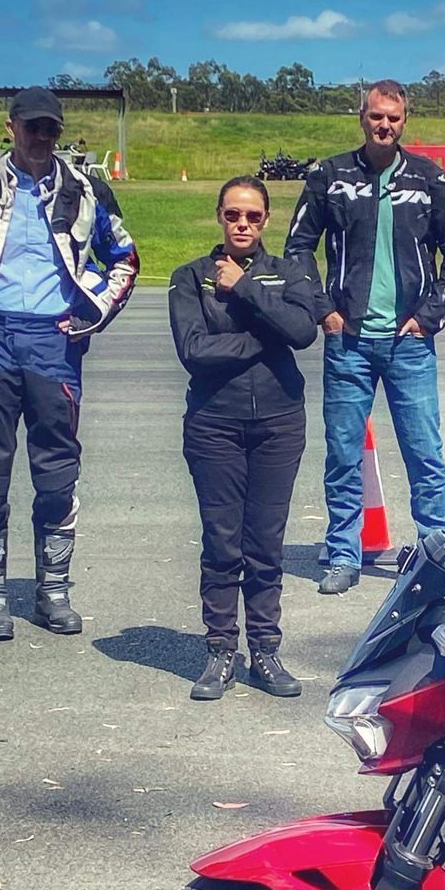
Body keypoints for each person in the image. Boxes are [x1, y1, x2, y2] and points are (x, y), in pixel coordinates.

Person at [0, 87, 138, 640]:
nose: (42, 138)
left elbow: (125, 259)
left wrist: (92, 312)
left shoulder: (86, 189)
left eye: (51, 130)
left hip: (54, 344)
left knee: (56, 472)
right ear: (10, 126)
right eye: (32, 127)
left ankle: (53, 591)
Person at [284, 79, 445, 596]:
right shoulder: (329, 176)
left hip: (409, 342)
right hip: (348, 342)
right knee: (343, 452)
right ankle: (344, 554)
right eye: (375, 116)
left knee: (424, 453)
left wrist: (430, 317)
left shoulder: (432, 180)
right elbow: (297, 249)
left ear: (405, 119)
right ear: (361, 118)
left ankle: (437, 555)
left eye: (393, 117)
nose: (384, 125)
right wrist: (323, 310)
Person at [169, 176, 323, 700]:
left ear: (266, 220)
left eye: (253, 216)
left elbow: (304, 332)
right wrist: (264, 336)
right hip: (215, 424)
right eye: (233, 214)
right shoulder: (189, 276)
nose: (242, 224)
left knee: (266, 541)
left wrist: (248, 289)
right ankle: (218, 649)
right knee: (221, 540)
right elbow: (194, 350)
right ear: (219, 216)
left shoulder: (287, 272)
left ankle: (264, 648)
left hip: (279, 423)